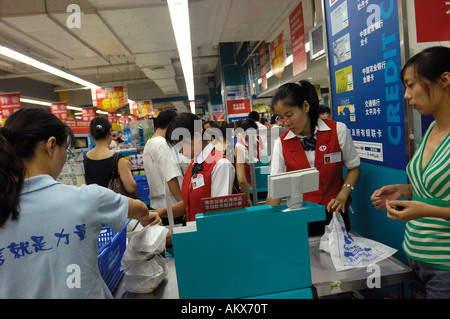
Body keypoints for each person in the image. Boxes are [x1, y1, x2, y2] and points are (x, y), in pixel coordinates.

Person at [0, 108, 160, 299]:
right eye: (65, 150)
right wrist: (146, 215)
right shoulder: (87, 198)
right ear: (51, 146)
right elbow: (139, 209)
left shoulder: (5, 202)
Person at [370, 46, 450, 299]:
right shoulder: (432, 131)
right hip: (416, 257)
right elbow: (437, 189)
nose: (406, 95)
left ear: (444, 80)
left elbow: (433, 204)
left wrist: (424, 210)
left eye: (411, 85)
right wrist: (403, 190)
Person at [266, 80, 361, 236]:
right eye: (280, 118)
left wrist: (343, 195)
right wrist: (266, 221)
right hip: (300, 217)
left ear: (305, 106)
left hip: (336, 214)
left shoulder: (337, 131)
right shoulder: (281, 144)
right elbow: (276, 190)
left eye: (289, 115)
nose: (286, 123)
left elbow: (354, 168)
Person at [156, 112, 235, 222]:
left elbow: (219, 214)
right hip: (195, 233)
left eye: (181, 144)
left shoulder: (221, 165)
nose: (179, 150)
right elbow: (189, 203)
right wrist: (161, 212)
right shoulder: (194, 164)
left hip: (208, 234)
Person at [143, 110, 184, 224]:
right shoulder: (162, 144)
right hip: (171, 206)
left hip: (156, 205)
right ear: (171, 125)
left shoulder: (149, 144)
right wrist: (183, 205)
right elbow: (171, 179)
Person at [83, 117, 137, 196]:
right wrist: (128, 169)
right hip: (114, 206)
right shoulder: (117, 159)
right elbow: (131, 187)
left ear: (91, 135)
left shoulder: (84, 159)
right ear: (110, 132)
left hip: (94, 206)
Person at [235, 119, 260, 206]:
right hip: (248, 185)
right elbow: (241, 179)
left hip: (260, 183)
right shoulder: (240, 146)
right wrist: (247, 197)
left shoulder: (257, 141)